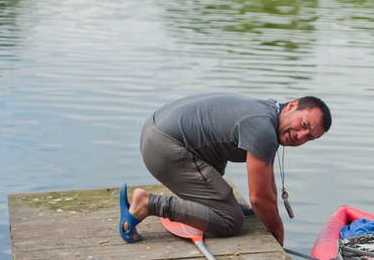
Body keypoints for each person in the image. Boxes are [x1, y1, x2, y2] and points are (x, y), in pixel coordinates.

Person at [119, 92, 331, 246]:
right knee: (230, 221)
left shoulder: (269, 113)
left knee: (233, 205)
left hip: (157, 127)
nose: (301, 136)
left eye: (309, 137)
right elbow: (259, 197)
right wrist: (278, 234)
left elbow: (267, 185)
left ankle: (209, 204)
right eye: (303, 125)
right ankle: (148, 204)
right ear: (292, 106)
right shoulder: (263, 129)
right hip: (164, 146)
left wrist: (269, 216)